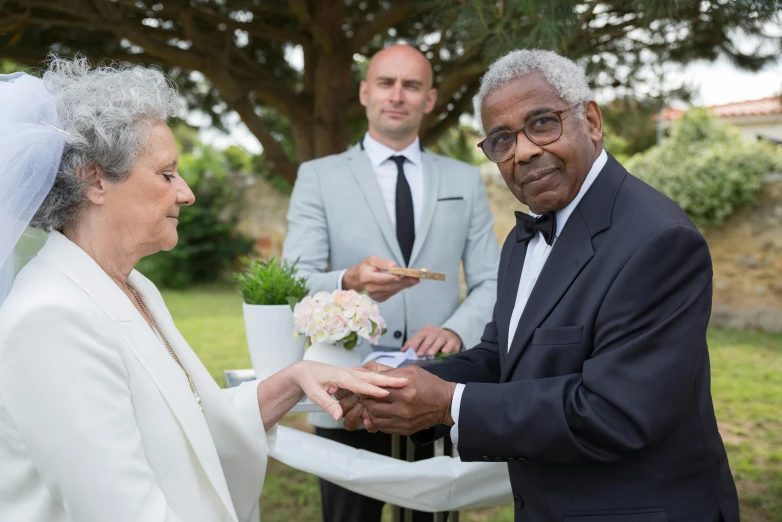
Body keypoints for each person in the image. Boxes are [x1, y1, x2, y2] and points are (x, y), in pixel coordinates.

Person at [0, 58, 408, 522]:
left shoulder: (133, 285)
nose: (187, 193)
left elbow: (188, 420)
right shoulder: (49, 319)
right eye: (167, 174)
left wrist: (295, 380)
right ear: (94, 180)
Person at [341, 49, 740, 522]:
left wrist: (448, 404)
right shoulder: (522, 236)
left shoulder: (659, 240)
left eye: (542, 123)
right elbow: (500, 357)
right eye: (502, 139)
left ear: (591, 120)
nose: (524, 150)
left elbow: (614, 412)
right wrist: (399, 386)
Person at [282, 44, 500, 522]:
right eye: (385, 83)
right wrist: (348, 279)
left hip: (436, 385)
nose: (397, 95)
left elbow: (492, 281)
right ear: (365, 92)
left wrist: (458, 331)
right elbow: (293, 278)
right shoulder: (318, 177)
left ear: (431, 98)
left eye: (411, 85)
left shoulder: (464, 180)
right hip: (343, 386)